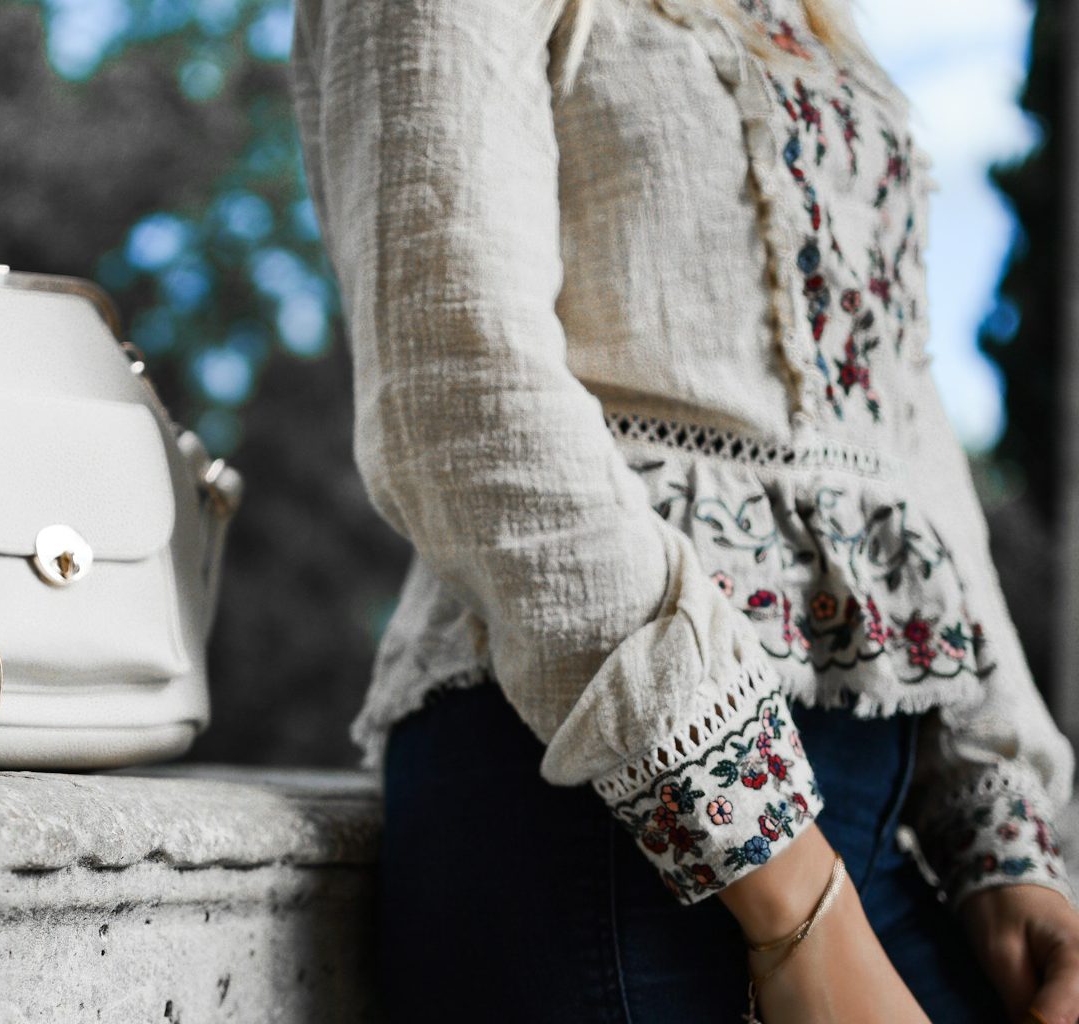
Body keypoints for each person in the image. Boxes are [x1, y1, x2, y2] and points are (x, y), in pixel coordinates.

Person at [287, 0, 1079, 1020]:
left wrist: (1000, 845)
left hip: (865, 826)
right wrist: (797, 905)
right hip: (604, 813)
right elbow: (455, 381)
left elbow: (898, 431)